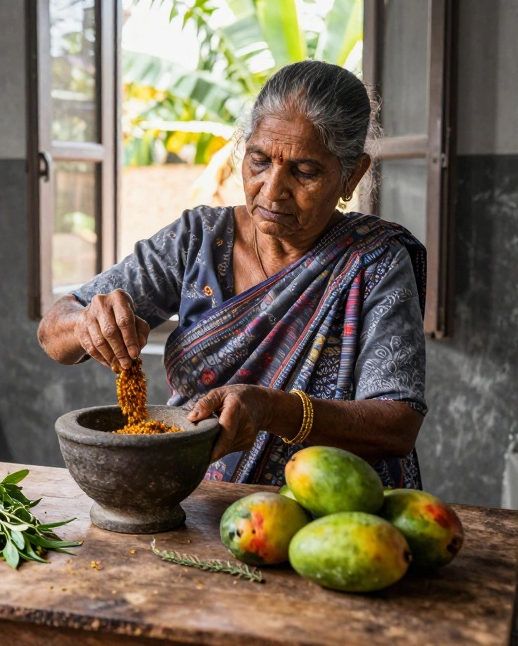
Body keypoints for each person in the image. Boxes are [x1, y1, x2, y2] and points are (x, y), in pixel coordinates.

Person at [37, 60, 427, 488]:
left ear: (353, 175)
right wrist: (88, 322)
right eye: (259, 161)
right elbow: (54, 333)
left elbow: (397, 425)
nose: (272, 189)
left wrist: (272, 410)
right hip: (198, 495)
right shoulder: (198, 240)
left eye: (304, 172)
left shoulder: (375, 260)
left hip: (333, 507)